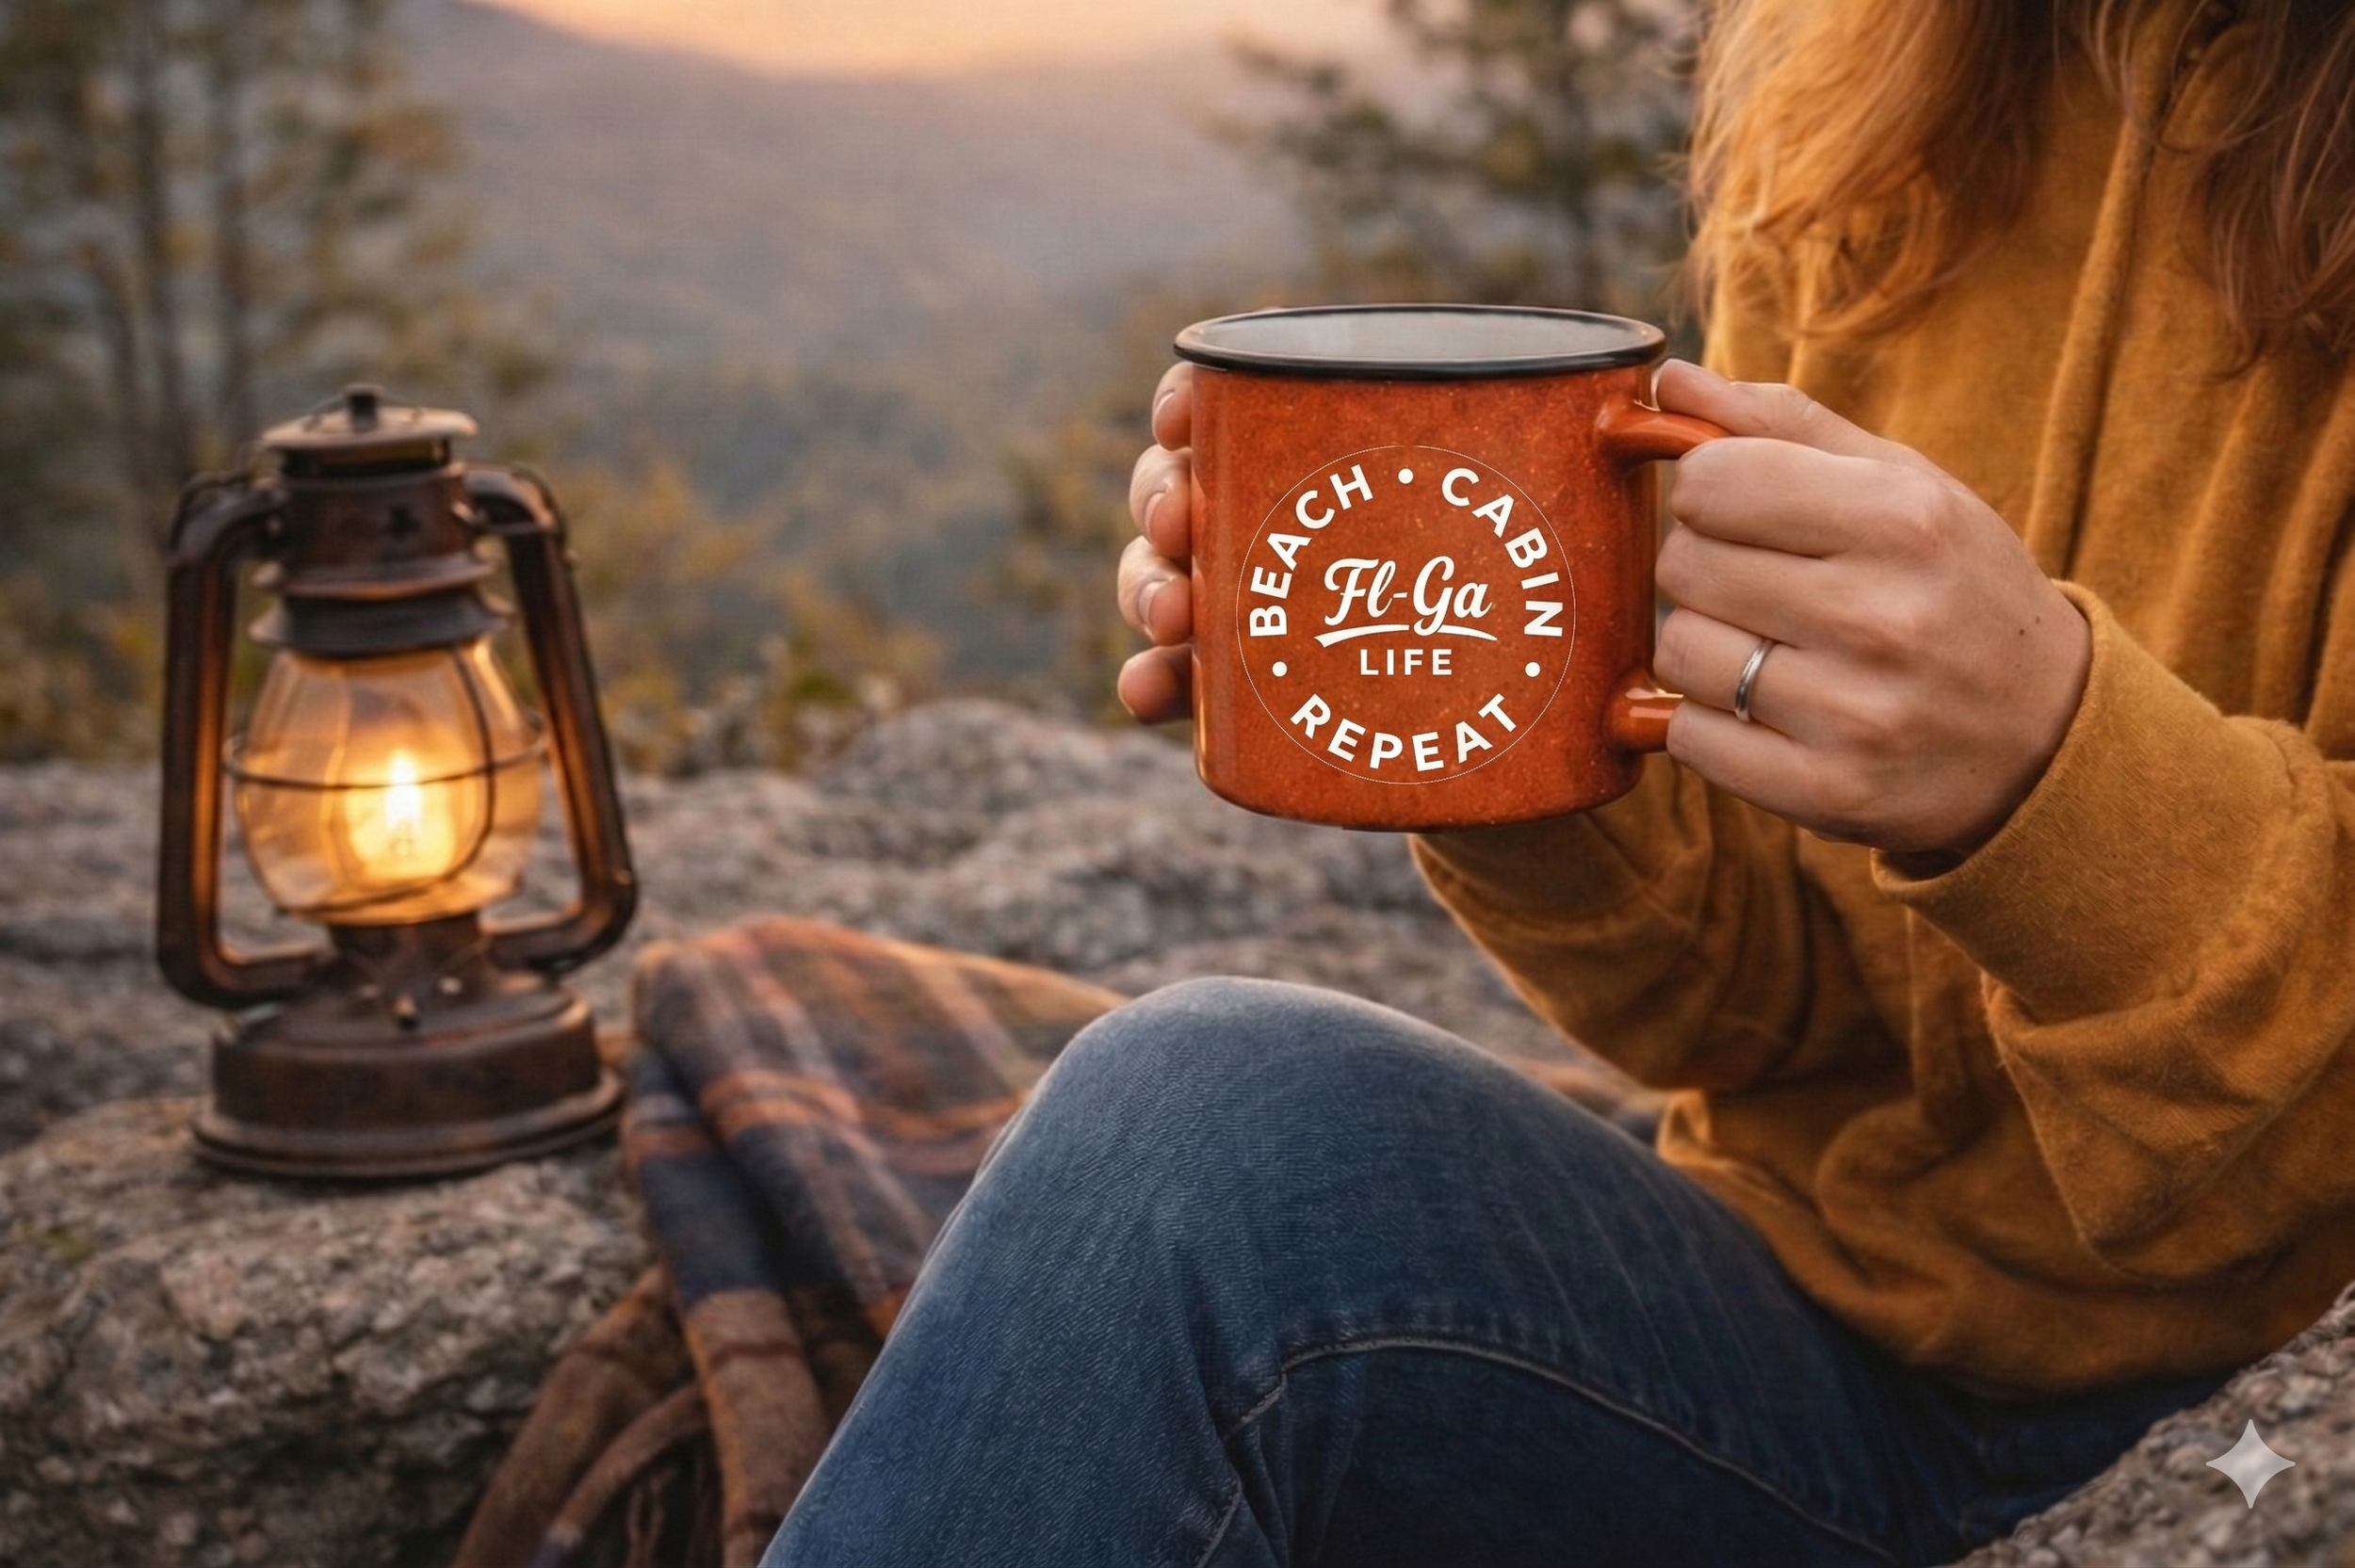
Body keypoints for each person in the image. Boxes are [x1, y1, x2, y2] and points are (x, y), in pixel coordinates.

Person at [764, 0, 2355, 1560]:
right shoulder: (1883, 88)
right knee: (1190, 1126)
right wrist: (1486, 704)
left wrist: (2051, 777)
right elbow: (1749, 1017)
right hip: (1807, 1341)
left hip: (2264, 1424)